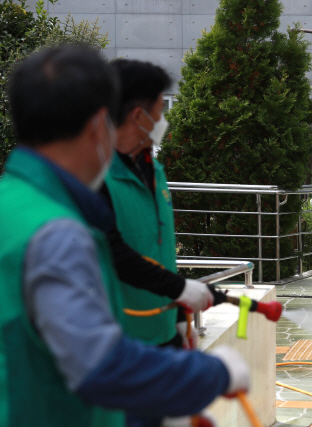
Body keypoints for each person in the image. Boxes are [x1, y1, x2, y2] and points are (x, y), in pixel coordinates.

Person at [0, 45, 249, 427]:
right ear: (101, 124)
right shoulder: (58, 233)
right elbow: (101, 366)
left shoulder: (12, 203)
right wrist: (214, 372)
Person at [100, 59, 217, 350]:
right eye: (159, 111)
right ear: (139, 116)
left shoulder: (155, 171)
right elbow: (113, 252)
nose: (163, 119)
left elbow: (160, 250)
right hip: (123, 340)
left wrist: (178, 316)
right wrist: (181, 289)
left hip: (165, 330)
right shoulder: (97, 178)